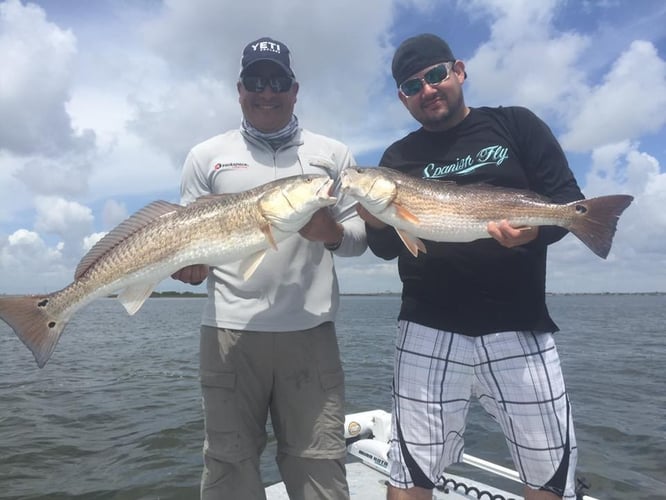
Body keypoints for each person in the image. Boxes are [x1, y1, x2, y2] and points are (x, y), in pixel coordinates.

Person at [357, 33, 582, 500]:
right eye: (411, 86)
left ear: (458, 71)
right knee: (409, 473)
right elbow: (385, 250)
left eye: (436, 75)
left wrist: (537, 230)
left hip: (518, 323)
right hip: (426, 326)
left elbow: (568, 206)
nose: (428, 89)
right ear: (402, 98)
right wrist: (374, 218)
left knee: (547, 473)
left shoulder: (516, 125)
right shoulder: (396, 160)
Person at [172, 36, 366, 500]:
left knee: (319, 465)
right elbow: (183, 237)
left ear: (294, 89)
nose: (267, 91)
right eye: (255, 81)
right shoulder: (205, 156)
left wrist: (332, 234)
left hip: (311, 332)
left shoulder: (332, 155)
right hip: (228, 333)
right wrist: (189, 266)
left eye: (277, 81)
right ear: (239, 89)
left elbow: (360, 240)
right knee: (227, 465)